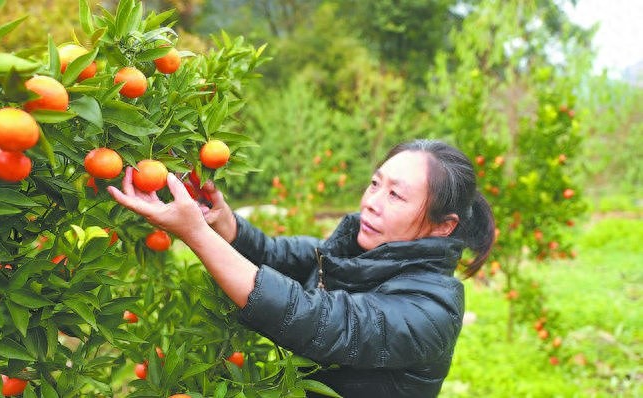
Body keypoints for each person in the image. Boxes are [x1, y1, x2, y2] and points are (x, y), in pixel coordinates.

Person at [107, 139, 495, 397]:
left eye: (396, 195)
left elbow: (318, 321)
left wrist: (195, 234)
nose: (372, 202)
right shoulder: (353, 254)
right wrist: (224, 224)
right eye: (375, 183)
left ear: (444, 226)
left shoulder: (431, 309)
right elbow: (276, 254)